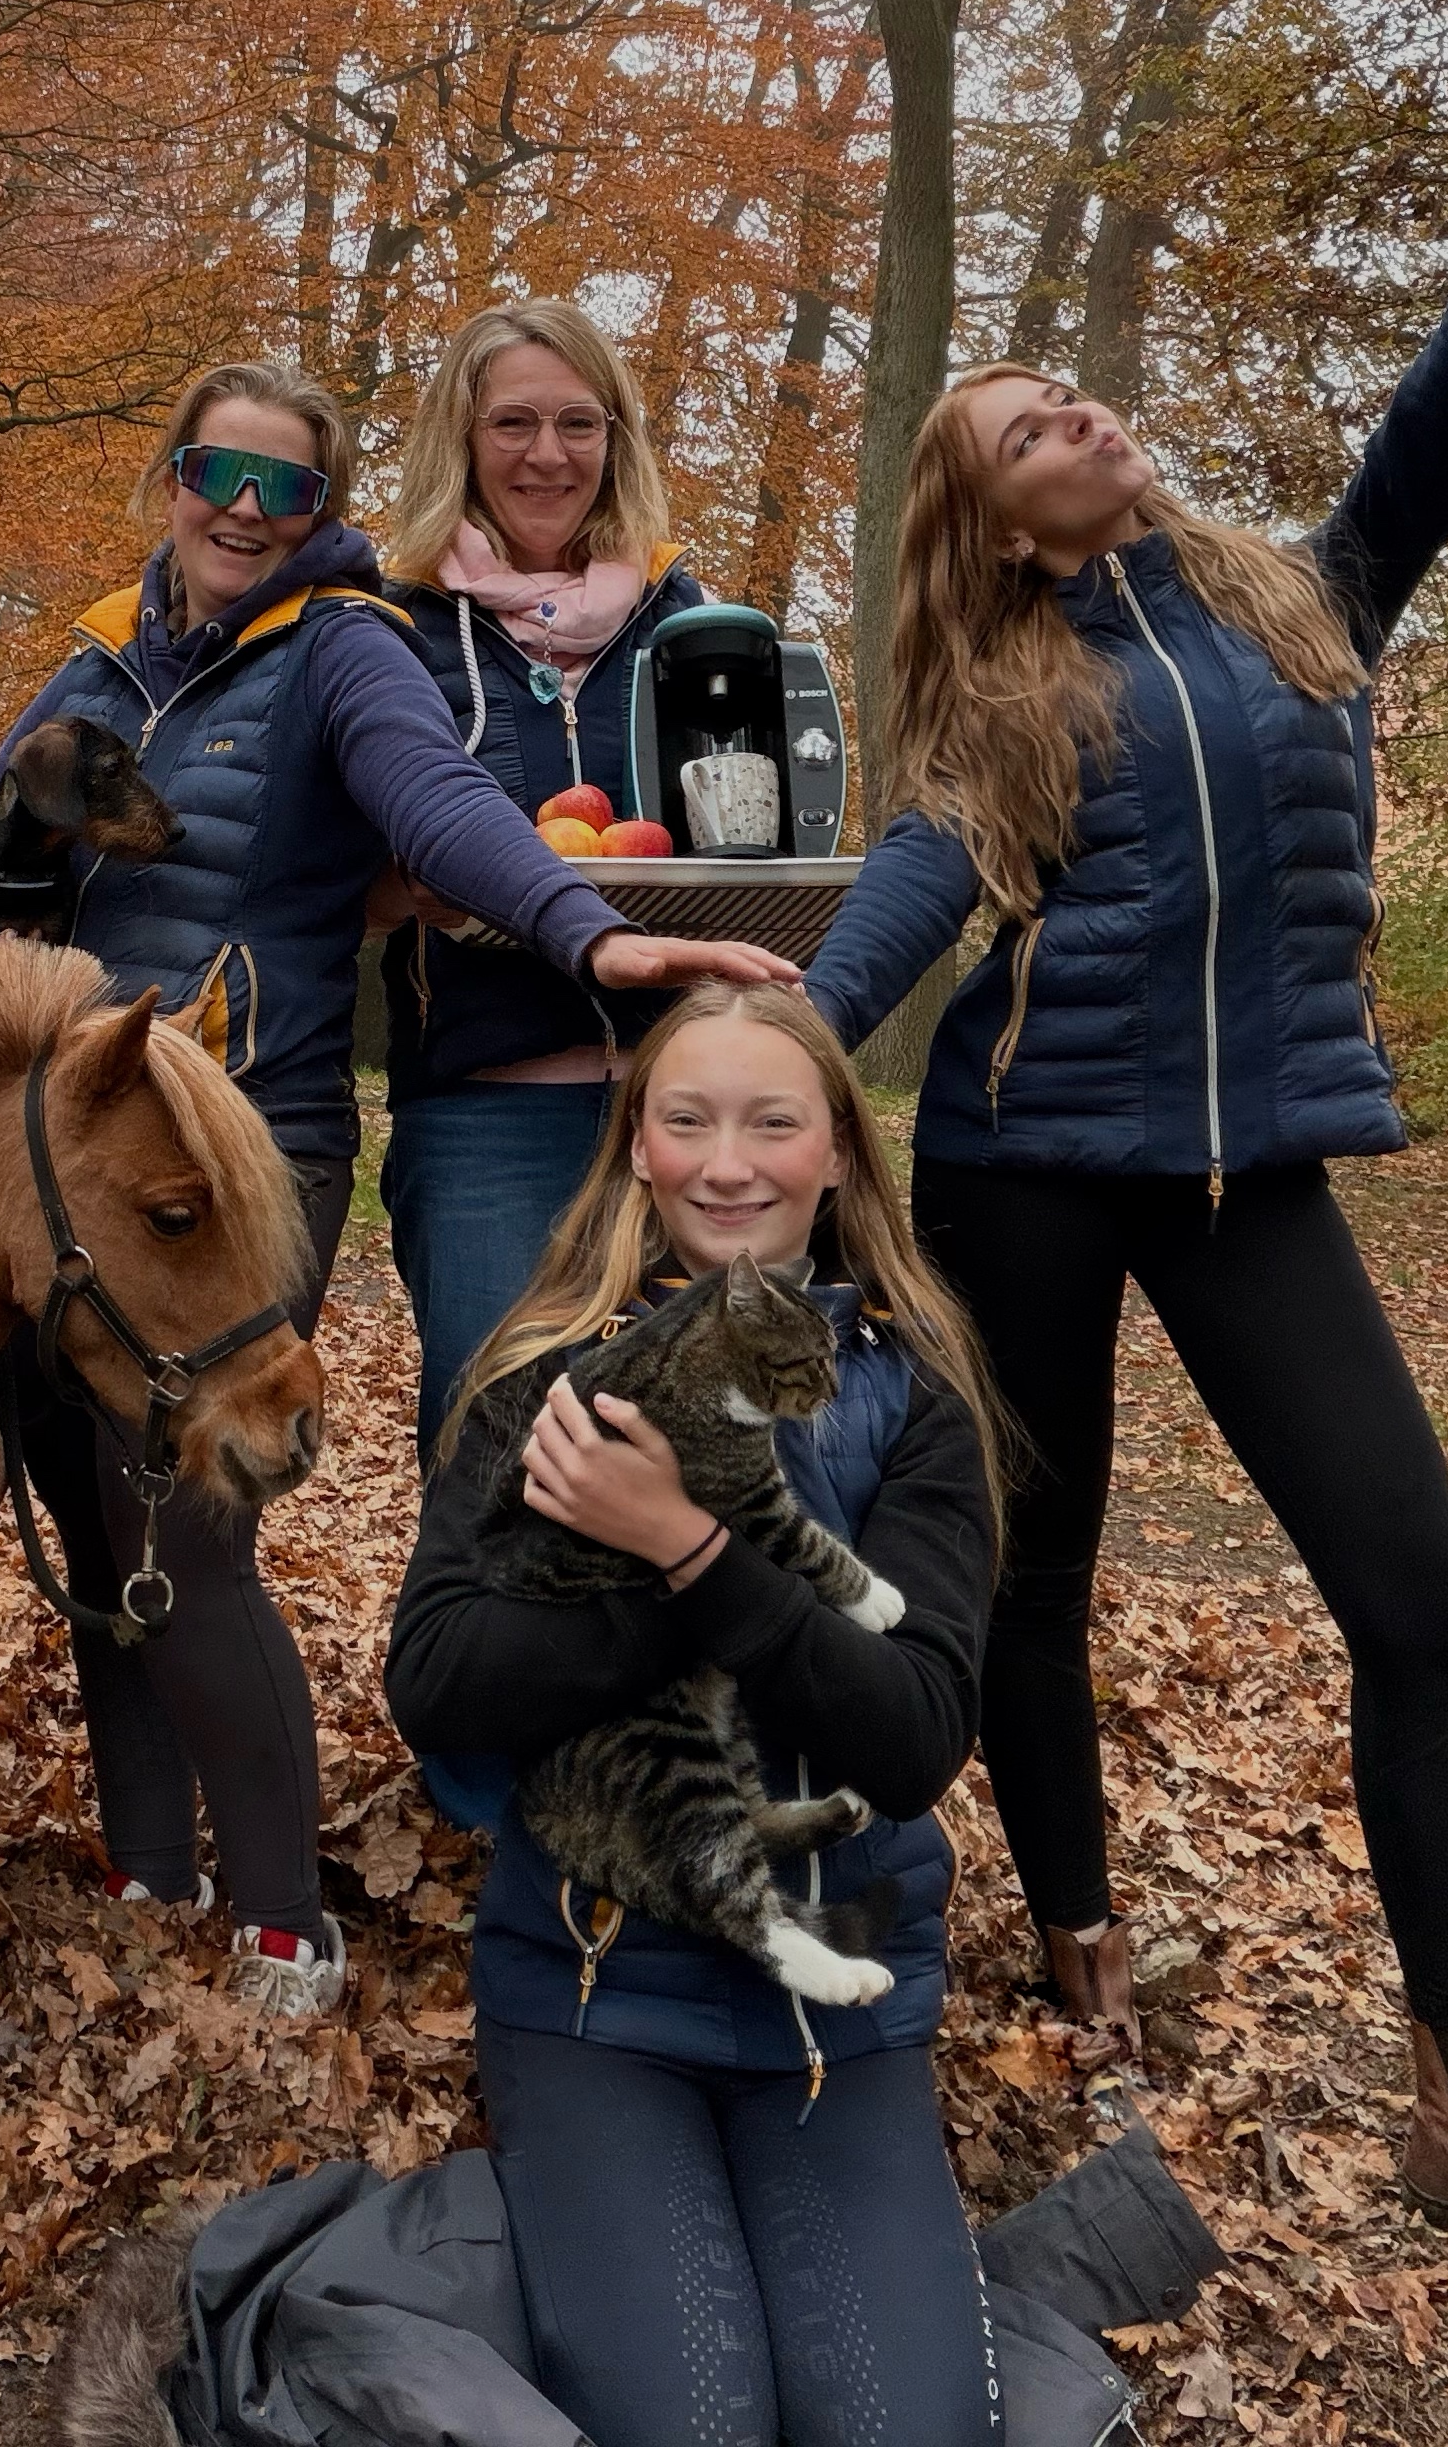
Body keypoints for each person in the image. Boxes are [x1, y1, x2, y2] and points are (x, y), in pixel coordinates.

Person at [0, 358, 773, 2016]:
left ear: (322, 508)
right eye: (218, 475)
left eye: (286, 488)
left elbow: (440, 805)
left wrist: (583, 926)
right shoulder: (98, 658)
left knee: (185, 1519)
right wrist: (21, 833)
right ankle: (149, 1859)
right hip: (71, 1166)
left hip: (250, 1146)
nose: (246, 512)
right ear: (172, 478)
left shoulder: (345, 646)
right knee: (95, 1506)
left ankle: (283, 1912)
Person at [802, 244, 1448, 2222]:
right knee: (1037, 1577)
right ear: (998, 525)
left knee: (1428, 1601)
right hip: (1023, 1167)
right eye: (1030, 427)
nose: (1080, 415)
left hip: (1250, 1178)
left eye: (1073, 397)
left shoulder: (1305, 594)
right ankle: (1080, 1926)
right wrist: (776, 1051)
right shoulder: (1002, 689)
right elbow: (915, 888)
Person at [385, 983, 1009, 2447]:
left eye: (772, 1123)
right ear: (638, 1149)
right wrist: (663, 1579)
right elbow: (439, 1682)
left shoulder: (914, 1395)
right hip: (596, 1994)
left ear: (837, 1151)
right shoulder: (544, 1379)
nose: (730, 1164)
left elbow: (914, 1738)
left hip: (838, 2003)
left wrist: (687, 1544)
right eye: (689, 1121)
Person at [376, 300, 787, 1472]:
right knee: (495, 1452)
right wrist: (418, 889)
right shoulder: (393, 628)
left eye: (577, 423)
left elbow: (747, 841)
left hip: (685, 1104)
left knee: (702, 1457)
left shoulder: (692, 622)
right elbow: (333, 881)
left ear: (616, 437)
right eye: (513, 422)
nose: (547, 454)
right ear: (461, 437)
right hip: (486, 1115)